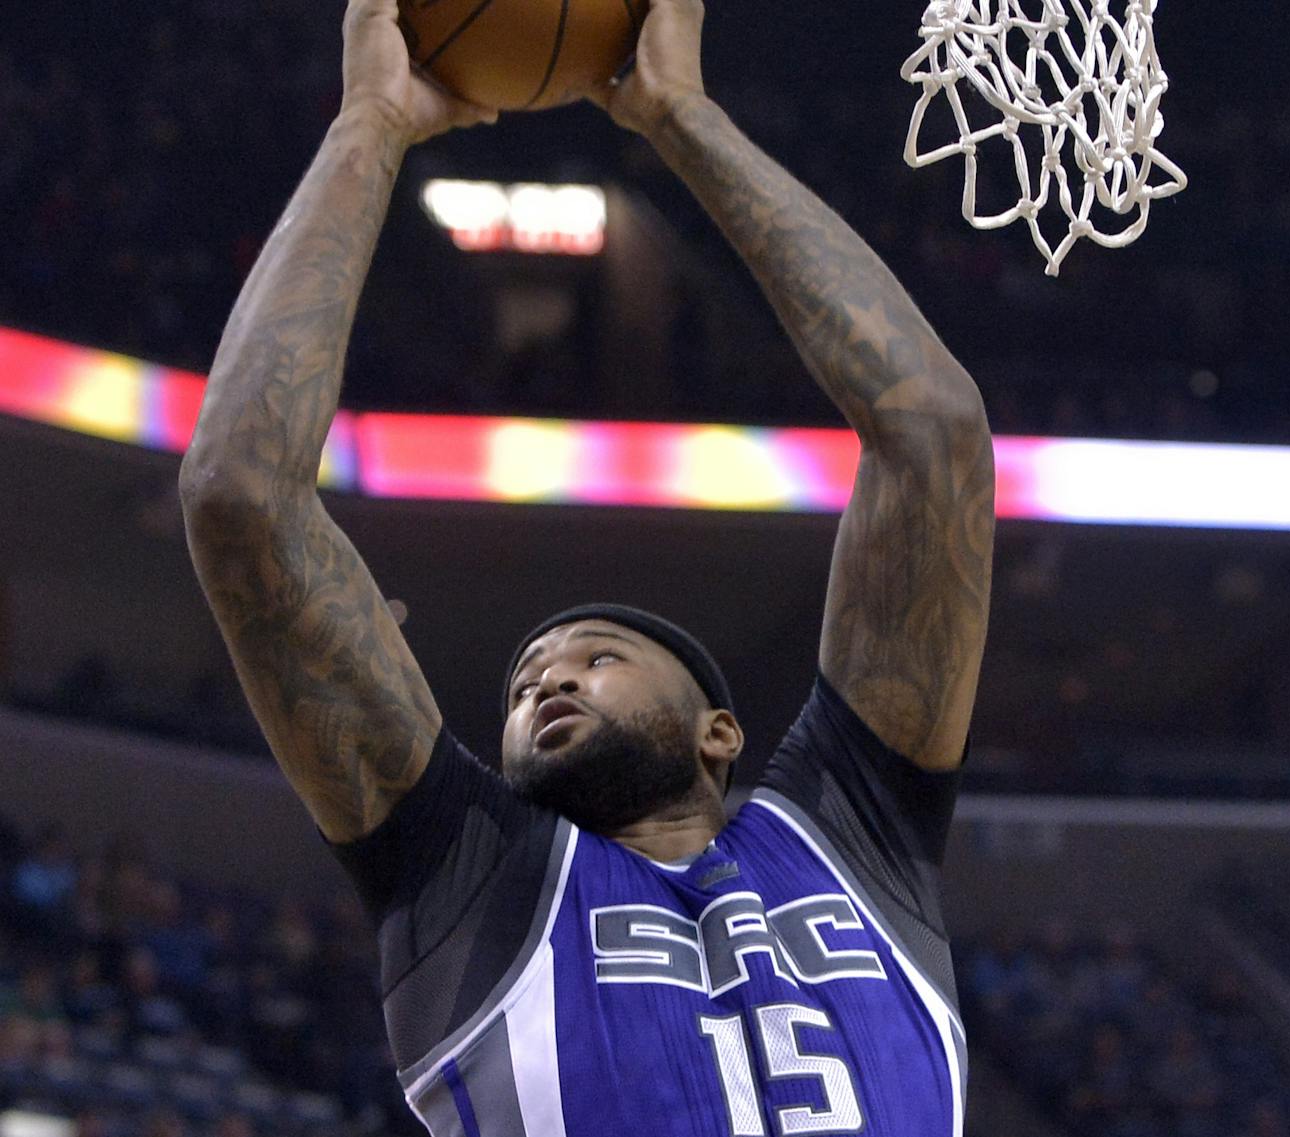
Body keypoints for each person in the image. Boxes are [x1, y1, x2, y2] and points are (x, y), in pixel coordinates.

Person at [178, 0, 995, 1131]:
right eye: (520, 688)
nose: (545, 682)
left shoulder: (848, 830)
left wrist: (680, 118)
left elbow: (933, 435)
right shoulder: (467, 878)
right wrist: (367, 123)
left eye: (595, 658)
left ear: (720, 731)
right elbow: (238, 496)